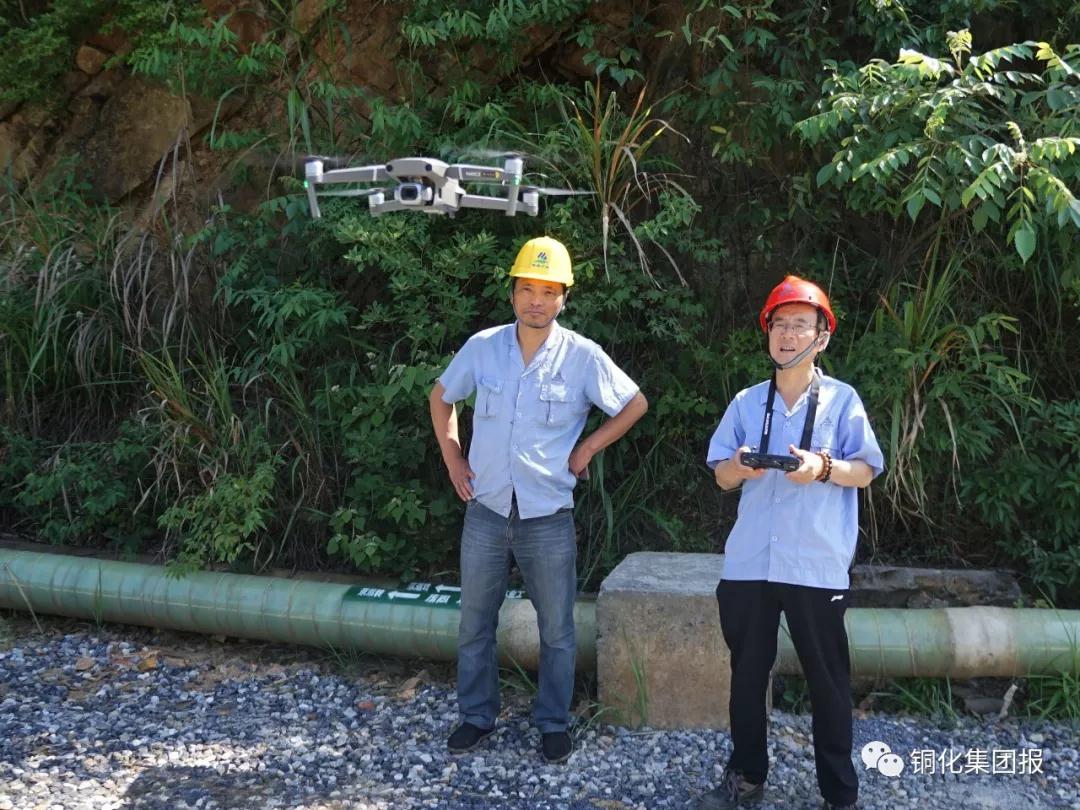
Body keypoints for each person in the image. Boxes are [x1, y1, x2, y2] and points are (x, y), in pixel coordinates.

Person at [429, 236, 648, 764]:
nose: (536, 301)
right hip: (485, 510)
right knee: (474, 623)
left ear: (563, 298)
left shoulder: (582, 356)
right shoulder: (483, 347)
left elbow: (634, 403)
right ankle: (476, 716)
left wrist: (588, 447)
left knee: (557, 629)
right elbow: (441, 397)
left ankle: (553, 723)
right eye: (528, 289)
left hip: (547, 516)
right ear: (513, 293)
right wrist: (453, 457)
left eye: (549, 292)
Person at [696, 275, 884, 810]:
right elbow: (720, 475)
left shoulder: (842, 400)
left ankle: (840, 793)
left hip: (815, 563)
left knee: (828, 682)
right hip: (751, 561)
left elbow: (866, 470)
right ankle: (746, 777)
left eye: (800, 325)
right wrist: (739, 466)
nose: (786, 334)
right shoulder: (746, 402)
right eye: (779, 324)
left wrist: (822, 467)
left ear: (821, 337)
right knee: (745, 678)